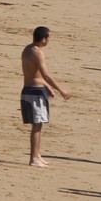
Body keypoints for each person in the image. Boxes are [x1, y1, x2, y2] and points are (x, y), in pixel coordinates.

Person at [21, 25, 70, 167]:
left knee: (38, 123)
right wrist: (61, 89)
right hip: (35, 92)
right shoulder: (38, 53)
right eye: (48, 38)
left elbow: (34, 74)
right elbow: (45, 74)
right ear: (44, 39)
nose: (49, 40)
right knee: (37, 125)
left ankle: (37, 155)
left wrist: (47, 87)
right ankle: (33, 159)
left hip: (28, 89)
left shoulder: (27, 49)